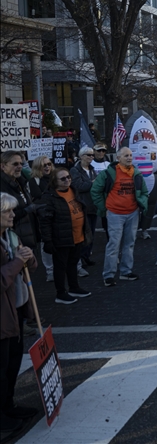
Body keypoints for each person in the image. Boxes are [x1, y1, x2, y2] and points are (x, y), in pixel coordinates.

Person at [0, 192, 39, 434]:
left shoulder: (10, 236)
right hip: (3, 315)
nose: (13, 215)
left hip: (16, 310)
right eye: (7, 211)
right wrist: (16, 261)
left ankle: (8, 406)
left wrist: (30, 258)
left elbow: (27, 267)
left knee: (12, 365)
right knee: (0, 369)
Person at [91, 147, 149, 287]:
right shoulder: (108, 174)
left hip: (132, 213)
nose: (129, 158)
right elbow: (95, 191)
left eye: (130, 155)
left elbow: (144, 192)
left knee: (129, 244)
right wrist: (104, 208)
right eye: (126, 155)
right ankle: (109, 275)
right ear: (118, 158)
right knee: (114, 245)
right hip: (115, 213)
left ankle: (126, 271)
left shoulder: (136, 173)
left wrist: (142, 204)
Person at [39, 168, 93, 304]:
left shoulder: (74, 191)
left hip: (77, 235)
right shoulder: (50, 197)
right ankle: (61, 293)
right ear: (54, 181)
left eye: (68, 177)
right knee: (60, 266)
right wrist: (48, 240)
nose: (67, 180)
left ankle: (74, 287)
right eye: (63, 178)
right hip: (61, 237)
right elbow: (45, 221)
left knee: (73, 263)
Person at [0, 152, 38, 251]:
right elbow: (3, 214)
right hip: (12, 239)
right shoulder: (2, 186)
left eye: (21, 163)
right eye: (15, 164)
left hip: (28, 234)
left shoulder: (21, 181)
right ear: (3, 166)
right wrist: (25, 211)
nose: (20, 166)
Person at [71, 146, 98, 267]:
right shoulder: (75, 170)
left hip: (93, 205)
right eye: (88, 155)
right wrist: (92, 183)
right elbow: (78, 186)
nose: (91, 157)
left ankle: (86, 256)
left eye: (92, 155)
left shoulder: (93, 169)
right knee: (82, 233)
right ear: (81, 156)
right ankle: (80, 258)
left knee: (91, 232)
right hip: (82, 206)